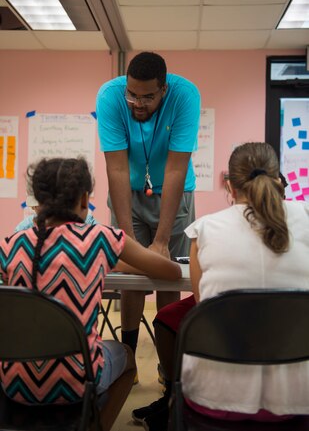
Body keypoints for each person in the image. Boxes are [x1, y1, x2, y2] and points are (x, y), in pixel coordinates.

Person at [132, 142, 309, 431]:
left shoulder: (205, 230)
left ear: (229, 185)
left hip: (215, 397)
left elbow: (204, 309)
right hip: (298, 397)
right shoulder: (305, 215)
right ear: (278, 181)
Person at [0, 157, 181, 431]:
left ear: (38, 199)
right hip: (77, 382)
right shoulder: (101, 238)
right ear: (85, 199)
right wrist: (120, 260)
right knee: (127, 357)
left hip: (13, 383)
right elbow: (172, 273)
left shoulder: (10, 245)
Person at [96, 52, 201, 367]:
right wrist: (127, 240)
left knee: (169, 275)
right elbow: (115, 168)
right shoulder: (111, 96)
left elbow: (175, 168)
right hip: (126, 191)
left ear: (163, 89)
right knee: (132, 276)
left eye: (147, 97)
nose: (137, 103)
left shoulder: (185, 95)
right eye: (133, 94)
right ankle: (128, 358)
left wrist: (161, 239)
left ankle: (165, 363)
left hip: (175, 193)